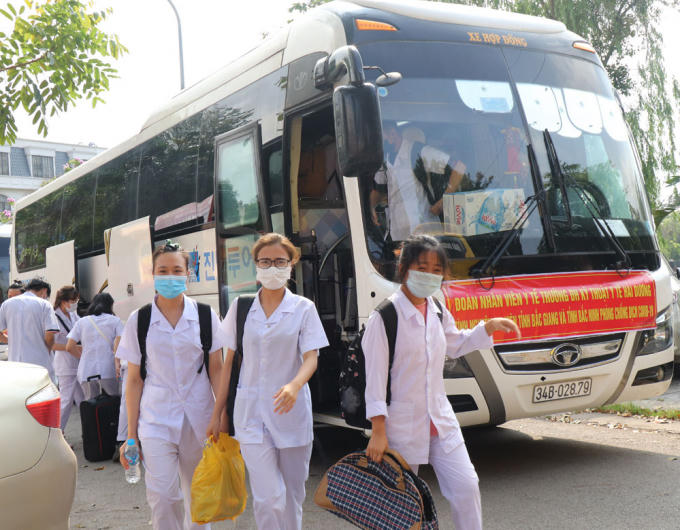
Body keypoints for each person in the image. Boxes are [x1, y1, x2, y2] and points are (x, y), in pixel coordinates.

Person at [363, 234, 520, 530]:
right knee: (403, 503)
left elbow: (455, 343)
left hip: (440, 420)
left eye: (437, 270)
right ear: (404, 267)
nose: (430, 275)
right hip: (401, 425)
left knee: (466, 487)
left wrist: (487, 327)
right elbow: (375, 380)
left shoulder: (435, 308)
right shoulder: (384, 318)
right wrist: (378, 431)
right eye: (422, 267)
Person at [208, 233, 329, 530]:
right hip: (250, 415)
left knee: (292, 498)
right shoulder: (241, 308)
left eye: (279, 261)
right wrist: (218, 413)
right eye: (265, 261)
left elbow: (311, 358)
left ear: (291, 264)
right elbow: (228, 365)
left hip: (291, 413)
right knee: (269, 498)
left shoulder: (304, 308)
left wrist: (294, 385)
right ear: (256, 265)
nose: (272, 267)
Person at [116, 241, 225, 530]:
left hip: (200, 417)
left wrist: (221, 415)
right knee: (163, 498)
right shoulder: (139, 320)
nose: (170, 276)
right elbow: (134, 379)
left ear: (188, 274)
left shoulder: (205, 316)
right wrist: (130, 434)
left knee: (199, 496)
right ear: (153, 275)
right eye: (162, 271)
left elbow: (216, 369)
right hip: (156, 419)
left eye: (177, 270)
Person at [370, 121, 467, 241]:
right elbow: (379, 190)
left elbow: (459, 167)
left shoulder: (419, 151)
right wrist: (371, 207)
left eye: (380, 141)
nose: (377, 146)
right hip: (398, 235)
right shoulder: (384, 159)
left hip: (426, 233)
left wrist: (443, 201)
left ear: (392, 134)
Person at [0, 278, 59, 381]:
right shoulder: (44, 304)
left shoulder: (6, 304)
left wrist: (15, 340)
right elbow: (50, 336)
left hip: (15, 365)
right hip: (39, 365)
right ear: (44, 291)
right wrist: (46, 351)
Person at [66, 293, 123, 400]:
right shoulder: (115, 320)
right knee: (112, 403)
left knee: (91, 405)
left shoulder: (81, 322)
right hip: (108, 369)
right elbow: (119, 344)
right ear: (110, 305)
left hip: (86, 371)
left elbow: (69, 347)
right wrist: (118, 363)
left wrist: (84, 357)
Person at [52, 286, 84, 431]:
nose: (75, 304)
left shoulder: (73, 315)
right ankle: (57, 433)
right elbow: (51, 344)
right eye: (73, 301)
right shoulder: (54, 317)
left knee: (83, 400)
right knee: (65, 402)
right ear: (63, 301)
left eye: (76, 300)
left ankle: (89, 433)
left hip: (77, 363)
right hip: (65, 365)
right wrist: (70, 347)